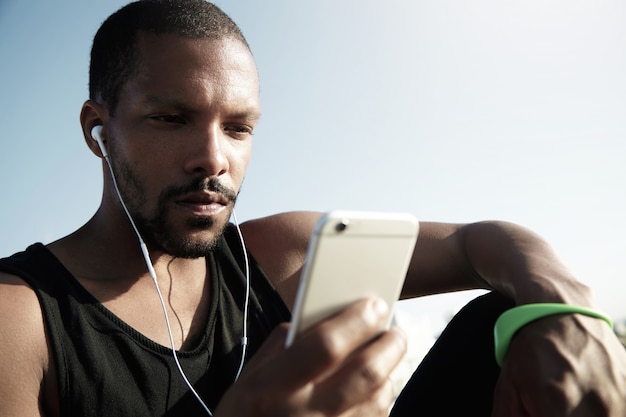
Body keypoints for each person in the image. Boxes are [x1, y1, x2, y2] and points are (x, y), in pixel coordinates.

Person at [0, 1, 624, 416]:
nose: (212, 158)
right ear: (96, 129)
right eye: (171, 118)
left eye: (238, 128)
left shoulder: (278, 255)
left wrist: (568, 310)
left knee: (518, 321)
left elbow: (479, 242)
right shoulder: (19, 319)